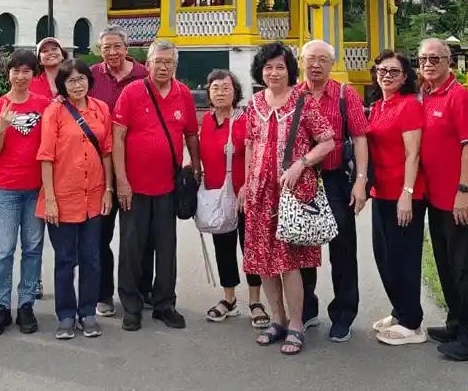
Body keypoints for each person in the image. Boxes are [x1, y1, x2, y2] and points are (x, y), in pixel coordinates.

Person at [244, 42, 335, 356]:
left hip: (291, 194)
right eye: (268, 67)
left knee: (289, 264)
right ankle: (277, 319)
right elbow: (249, 145)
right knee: (265, 263)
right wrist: (245, 184)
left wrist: (301, 163)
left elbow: (328, 141)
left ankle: (296, 323)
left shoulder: (303, 101)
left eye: (280, 67)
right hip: (259, 195)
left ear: (289, 70)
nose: (273, 73)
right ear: (261, 70)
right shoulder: (254, 102)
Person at [112, 39, 201, 331]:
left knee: (166, 248)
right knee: (131, 248)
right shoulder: (132, 92)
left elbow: (190, 134)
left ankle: (164, 303)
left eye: (169, 62)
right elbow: (118, 137)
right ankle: (132, 305)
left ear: (175, 65)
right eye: (158, 61)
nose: (163, 67)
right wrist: (121, 182)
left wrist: (196, 166)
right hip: (134, 187)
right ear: (147, 64)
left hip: (167, 185)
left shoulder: (183, 94)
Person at [418, 38, 468, 362]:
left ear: (449, 61)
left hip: (462, 200)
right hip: (437, 200)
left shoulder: (458, 97)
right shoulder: (426, 95)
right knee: (447, 267)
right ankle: (457, 323)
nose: (428, 64)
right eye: (423, 59)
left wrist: (464, 191)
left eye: (435, 58)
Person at [294, 39, 370, 342]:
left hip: (336, 180)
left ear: (332, 63)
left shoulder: (344, 94)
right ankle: (306, 309)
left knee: (343, 249)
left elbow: (361, 137)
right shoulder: (293, 95)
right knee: (302, 247)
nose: (316, 64)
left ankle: (343, 314)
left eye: (323, 59)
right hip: (302, 182)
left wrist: (361, 180)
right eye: (311, 58)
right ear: (301, 61)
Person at [38, 59, 114, 339]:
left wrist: (109, 190)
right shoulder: (54, 111)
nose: (78, 84)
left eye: (82, 78)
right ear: (63, 85)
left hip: (94, 195)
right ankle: (67, 315)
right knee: (65, 260)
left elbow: (106, 151)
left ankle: (88, 312)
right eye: (71, 80)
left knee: (92, 258)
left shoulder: (101, 109)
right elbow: (46, 157)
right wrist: (49, 200)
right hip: (62, 197)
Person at [0, 49, 52, 336]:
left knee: (33, 249)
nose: (21, 76)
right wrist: (1, 128)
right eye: (15, 70)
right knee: (3, 250)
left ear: (34, 74)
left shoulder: (45, 105)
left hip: (36, 188)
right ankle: (1, 308)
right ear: (8, 73)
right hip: (6, 190)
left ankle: (26, 306)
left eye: (26, 71)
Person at [88, 25, 151, 318]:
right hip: (100, 166)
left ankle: (140, 291)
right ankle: (103, 294)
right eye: (105, 48)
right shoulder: (92, 75)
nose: (111, 53)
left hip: (135, 165)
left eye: (116, 47)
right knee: (101, 234)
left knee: (137, 236)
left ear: (127, 48)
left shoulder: (144, 76)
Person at [366, 51, 428, 345]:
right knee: (384, 256)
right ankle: (400, 310)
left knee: (404, 257)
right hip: (381, 192)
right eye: (382, 69)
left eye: (394, 71)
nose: (386, 75)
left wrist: (408, 193)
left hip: (404, 194)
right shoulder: (378, 106)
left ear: (405, 77)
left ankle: (412, 322)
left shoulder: (408, 107)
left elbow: (413, 154)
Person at [199, 69, 266, 327]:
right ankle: (229, 298)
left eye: (226, 88)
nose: (220, 92)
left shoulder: (245, 119)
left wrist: (248, 185)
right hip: (217, 196)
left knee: (249, 248)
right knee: (223, 248)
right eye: (215, 88)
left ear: (235, 92)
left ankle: (255, 300)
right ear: (208, 92)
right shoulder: (206, 120)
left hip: (244, 195)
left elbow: (259, 154)